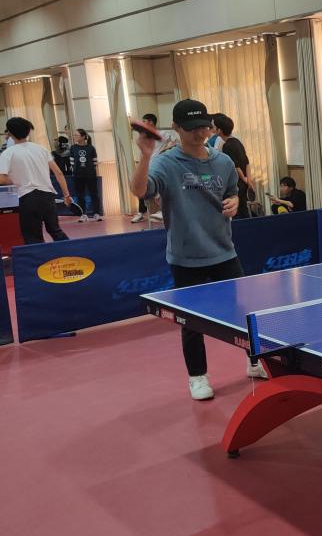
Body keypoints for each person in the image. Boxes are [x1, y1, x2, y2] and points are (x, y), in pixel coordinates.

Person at [131, 99, 263, 401]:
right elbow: (140, 190)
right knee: (191, 322)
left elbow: (232, 192)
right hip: (186, 257)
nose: (200, 133)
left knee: (244, 313)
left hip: (224, 251)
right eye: (192, 128)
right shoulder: (166, 163)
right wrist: (145, 155)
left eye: (204, 127)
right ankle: (198, 377)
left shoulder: (223, 162)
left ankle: (254, 361)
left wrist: (235, 202)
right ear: (176, 128)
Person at [0, 117, 73, 244]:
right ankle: (72, 253)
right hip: (48, 196)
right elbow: (59, 173)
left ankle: (40, 257)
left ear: (10, 134)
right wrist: (66, 195)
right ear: (28, 131)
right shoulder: (41, 149)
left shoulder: (8, 153)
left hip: (27, 197)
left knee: (32, 237)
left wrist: (15, 181)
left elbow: (2, 178)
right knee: (55, 231)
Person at [212, 114, 253, 219]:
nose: (213, 128)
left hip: (237, 183)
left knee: (237, 212)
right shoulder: (237, 142)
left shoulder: (227, 146)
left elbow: (235, 166)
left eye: (214, 126)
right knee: (243, 209)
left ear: (219, 130)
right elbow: (247, 162)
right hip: (244, 182)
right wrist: (248, 180)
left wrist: (243, 178)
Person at [69, 129, 103, 222]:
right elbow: (72, 162)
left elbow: (94, 162)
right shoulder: (73, 148)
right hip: (78, 175)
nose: (75, 137)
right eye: (74, 135)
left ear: (83, 137)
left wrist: (90, 170)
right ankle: (83, 214)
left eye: (77, 135)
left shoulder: (91, 148)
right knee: (80, 195)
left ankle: (96, 213)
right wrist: (75, 170)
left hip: (90, 175)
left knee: (94, 194)